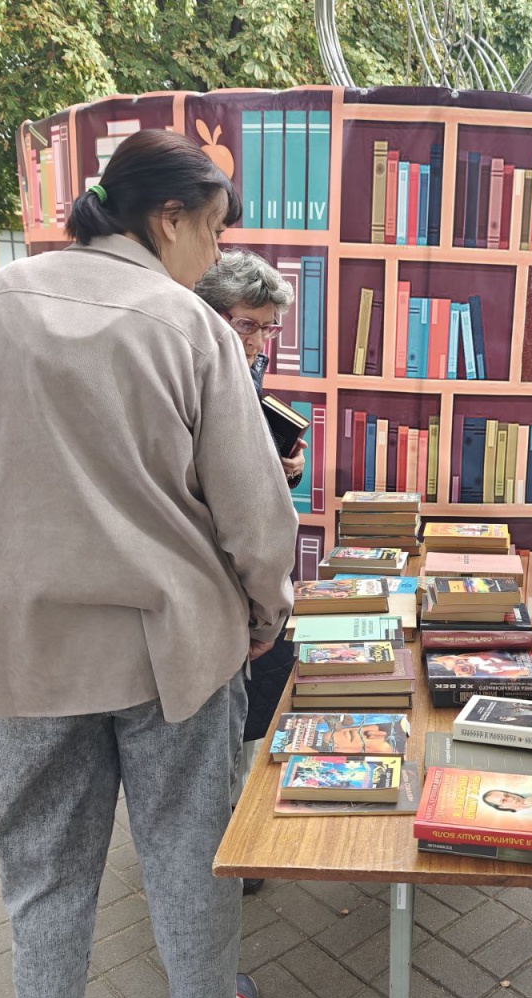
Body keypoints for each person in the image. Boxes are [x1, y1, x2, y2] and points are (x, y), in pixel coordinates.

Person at [0, 130, 299, 998]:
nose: (215, 253)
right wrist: (268, 611)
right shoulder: (189, 327)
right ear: (167, 217)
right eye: (211, 231)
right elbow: (255, 513)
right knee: (189, 869)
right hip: (171, 649)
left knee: (44, 878)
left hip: (27, 647)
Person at [195, 251, 306, 811]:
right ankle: (222, 816)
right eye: (246, 324)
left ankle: (240, 802)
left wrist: (286, 467)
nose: (259, 339)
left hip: (250, 572)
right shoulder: (192, 364)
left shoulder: (247, 365)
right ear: (209, 313)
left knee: (261, 690)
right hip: (214, 568)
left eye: (268, 327)